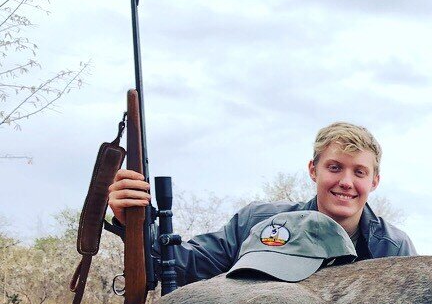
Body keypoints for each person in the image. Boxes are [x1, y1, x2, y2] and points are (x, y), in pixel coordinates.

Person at [107, 121, 416, 287]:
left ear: (374, 181)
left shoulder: (395, 249)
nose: (346, 182)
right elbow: (183, 267)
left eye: (359, 172)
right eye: (334, 168)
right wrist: (132, 224)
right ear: (313, 170)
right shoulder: (260, 222)